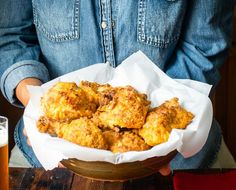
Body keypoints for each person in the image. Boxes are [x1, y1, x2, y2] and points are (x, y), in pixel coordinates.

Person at [0, 1, 235, 173]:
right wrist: (36, 105)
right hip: (47, 161)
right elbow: (11, 37)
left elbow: (204, 44)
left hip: (183, 160)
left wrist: (165, 135)